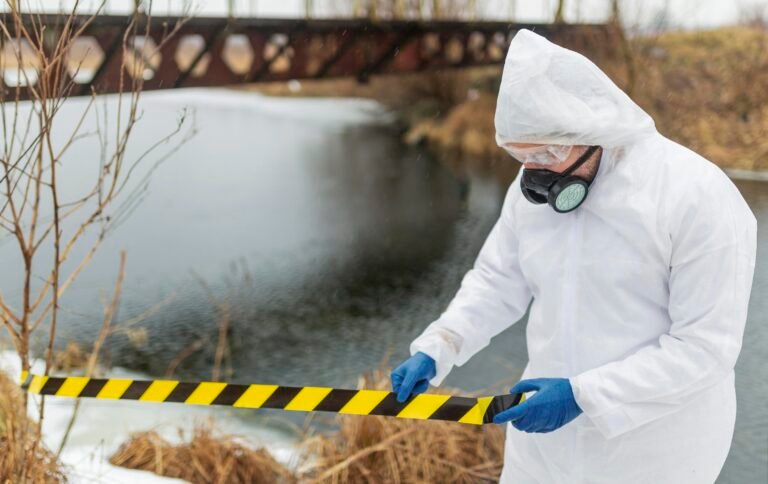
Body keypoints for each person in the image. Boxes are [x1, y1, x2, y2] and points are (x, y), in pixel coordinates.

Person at [390, 29, 757, 483]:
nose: (538, 174)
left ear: (594, 131)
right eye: (526, 157)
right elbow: (497, 281)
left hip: (655, 450)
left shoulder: (694, 196)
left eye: (549, 153)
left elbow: (705, 348)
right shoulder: (530, 196)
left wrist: (584, 395)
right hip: (544, 445)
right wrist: (440, 344)